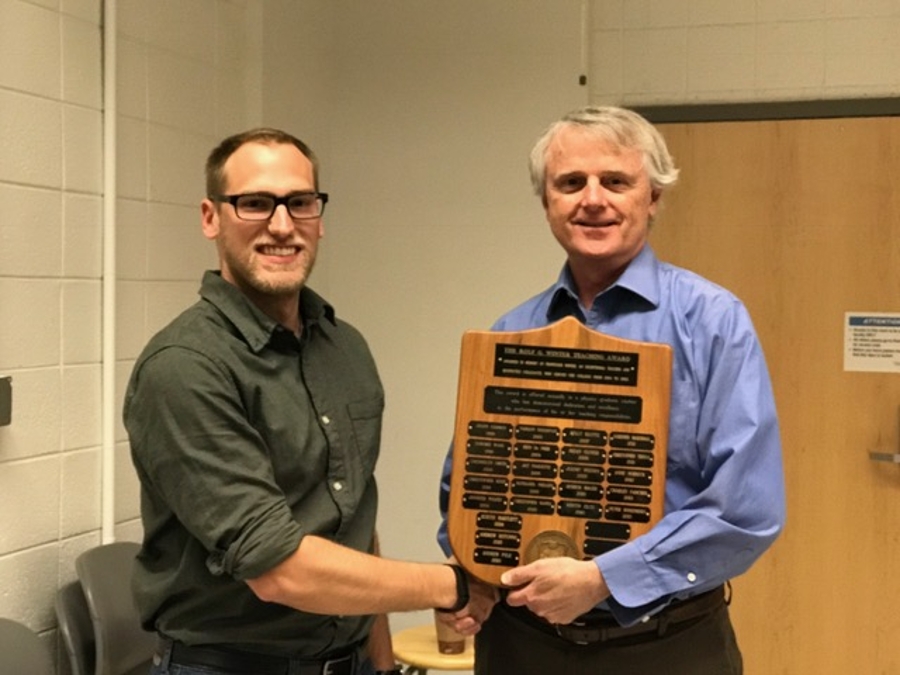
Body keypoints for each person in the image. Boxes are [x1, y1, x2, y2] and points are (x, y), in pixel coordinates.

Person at [124, 128, 489, 675]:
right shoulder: (185, 367)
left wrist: (383, 666)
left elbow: (357, 524)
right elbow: (278, 570)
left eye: (299, 202)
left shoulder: (344, 348)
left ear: (319, 216)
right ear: (210, 217)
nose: (281, 225)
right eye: (254, 203)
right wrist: (452, 585)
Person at [437, 106, 786, 674]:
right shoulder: (509, 334)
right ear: (548, 203)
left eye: (616, 181)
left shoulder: (713, 323)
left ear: (653, 199)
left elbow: (746, 512)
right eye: (570, 183)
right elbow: (465, 486)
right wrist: (475, 572)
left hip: (666, 647)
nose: (592, 199)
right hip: (521, 645)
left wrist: (604, 579)